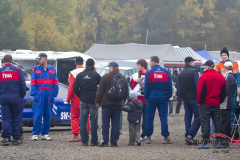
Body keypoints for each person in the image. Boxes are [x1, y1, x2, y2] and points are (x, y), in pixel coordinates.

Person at [96, 61, 129, 147]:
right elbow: (126, 92)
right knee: (116, 123)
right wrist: (123, 101)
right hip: (118, 104)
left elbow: (100, 91)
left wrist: (98, 101)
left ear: (111, 68)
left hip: (106, 103)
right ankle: (114, 142)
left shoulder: (105, 77)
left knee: (105, 123)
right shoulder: (123, 78)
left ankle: (105, 141)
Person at [197, 60, 227, 149]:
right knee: (217, 122)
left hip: (205, 103)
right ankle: (218, 141)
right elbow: (224, 91)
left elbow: (200, 91)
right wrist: (220, 100)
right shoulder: (221, 77)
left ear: (207, 66)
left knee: (205, 122)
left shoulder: (203, 77)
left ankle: (205, 142)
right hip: (216, 103)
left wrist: (200, 101)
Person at [143, 56, 172, 144]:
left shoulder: (149, 73)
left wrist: (146, 97)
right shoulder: (166, 72)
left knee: (149, 117)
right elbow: (169, 86)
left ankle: (148, 136)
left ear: (153, 61)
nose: (149, 63)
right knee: (163, 117)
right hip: (163, 95)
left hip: (151, 96)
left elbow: (146, 86)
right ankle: (165, 137)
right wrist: (168, 96)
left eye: (150, 61)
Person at [73, 58, 101, 146]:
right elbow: (102, 86)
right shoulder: (95, 75)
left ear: (86, 65)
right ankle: (94, 140)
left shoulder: (80, 75)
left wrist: (80, 95)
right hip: (93, 100)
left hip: (83, 100)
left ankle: (84, 141)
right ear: (93, 66)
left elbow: (74, 87)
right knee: (93, 121)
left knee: (83, 121)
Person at [31, 53, 59, 141]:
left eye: (40, 58)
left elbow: (55, 83)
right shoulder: (35, 69)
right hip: (39, 93)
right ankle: (35, 134)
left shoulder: (52, 69)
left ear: (45, 59)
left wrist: (54, 93)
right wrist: (35, 93)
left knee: (48, 115)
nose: (38, 60)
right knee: (37, 114)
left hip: (49, 94)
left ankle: (45, 133)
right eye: (38, 59)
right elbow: (33, 83)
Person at [0, 54, 26, 146]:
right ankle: (16, 138)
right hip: (16, 97)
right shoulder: (18, 70)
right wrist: (22, 95)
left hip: (3, 97)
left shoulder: (0, 71)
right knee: (16, 118)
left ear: (4, 61)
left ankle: (6, 138)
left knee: (5, 118)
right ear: (12, 61)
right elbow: (22, 84)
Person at [66, 57, 90, 142]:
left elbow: (71, 87)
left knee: (75, 116)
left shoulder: (73, 72)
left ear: (75, 63)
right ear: (83, 63)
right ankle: (86, 134)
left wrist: (68, 99)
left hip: (76, 96)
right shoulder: (88, 71)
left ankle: (76, 135)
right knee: (86, 116)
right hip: (87, 96)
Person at [178, 57, 200, 145]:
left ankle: (188, 134)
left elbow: (179, 88)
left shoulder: (180, 73)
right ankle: (190, 134)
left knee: (187, 117)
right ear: (191, 62)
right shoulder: (194, 72)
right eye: (193, 62)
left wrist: (182, 97)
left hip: (185, 98)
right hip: (194, 98)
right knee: (198, 116)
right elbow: (197, 86)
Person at [215, 47, 240, 122]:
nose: (223, 56)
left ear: (228, 55)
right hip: (223, 86)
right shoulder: (219, 64)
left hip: (232, 85)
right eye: (222, 55)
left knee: (233, 103)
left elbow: (237, 76)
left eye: (225, 55)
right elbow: (216, 76)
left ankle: (232, 123)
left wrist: (239, 87)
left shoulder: (233, 63)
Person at [129, 59, 150, 139]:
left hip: (147, 99)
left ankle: (145, 134)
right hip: (138, 100)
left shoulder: (149, 74)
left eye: (138, 66)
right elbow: (131, 86)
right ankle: (138, 135)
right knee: (138, 118)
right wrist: (136, 81)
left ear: (143, 66)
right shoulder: (134, 75)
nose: (137, 67)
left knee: (146, 118)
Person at [220, 62, 236, 147]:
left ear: (224, 67)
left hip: (224, 103)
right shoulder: (233, 77)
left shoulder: (226, 76)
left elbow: (224, 90)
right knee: (228, 123)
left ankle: (223, 142)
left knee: (223, 123)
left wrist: (220, 100)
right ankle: (227, 139)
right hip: (230, 102)